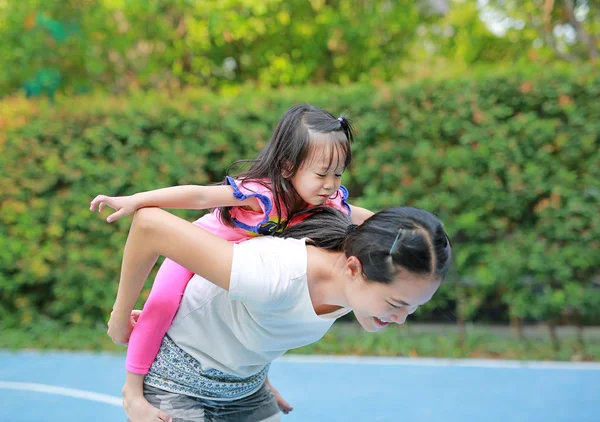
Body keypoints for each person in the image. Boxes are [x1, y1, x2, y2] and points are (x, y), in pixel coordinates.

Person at [90, 104, 374, 416]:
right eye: (322, 174)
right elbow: (199, 197)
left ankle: (256, 381)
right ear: (287, 167)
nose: (331, 184)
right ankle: (132, 389)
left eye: (338, 173)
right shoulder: (262, 194)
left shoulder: (326, 201)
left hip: (238, 269)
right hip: (201, 248)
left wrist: (413, 232)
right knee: (163, 302)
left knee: (263, 313)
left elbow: (363, 218)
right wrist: (135, 200)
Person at [107, 205, 452, 421]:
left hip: (245, 387)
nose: (401, 319)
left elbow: (272, 319)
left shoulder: (365, 266)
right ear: (352, 268)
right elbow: (149, 225)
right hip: (177, 386)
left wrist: (259, 373)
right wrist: (120, 317)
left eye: (413, 307)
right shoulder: (271, 273)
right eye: (396, 304)